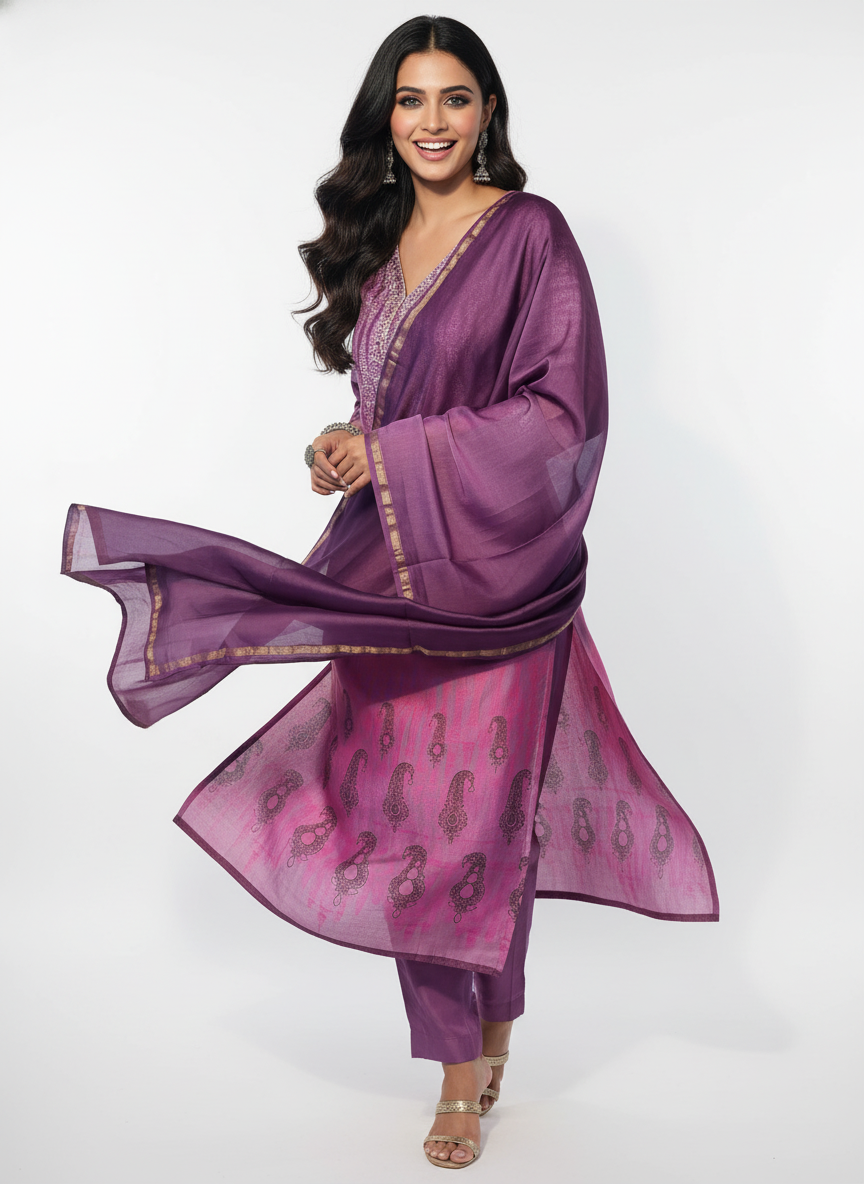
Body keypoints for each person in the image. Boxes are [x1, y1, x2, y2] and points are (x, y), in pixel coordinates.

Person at [61, 15, 718, 1170]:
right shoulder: (378, 242)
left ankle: (469, 1059)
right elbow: (385, 409)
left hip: (500, 576)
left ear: (489, 111)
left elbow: (563, 414)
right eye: (410, 100)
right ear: (386, 116)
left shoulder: (529, 234)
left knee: (475, 816)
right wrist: (346, 446)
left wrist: (394, 452)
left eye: (455, 98)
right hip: (390, 564)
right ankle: (477, 1032)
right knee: (405, 815)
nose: (432, 121)